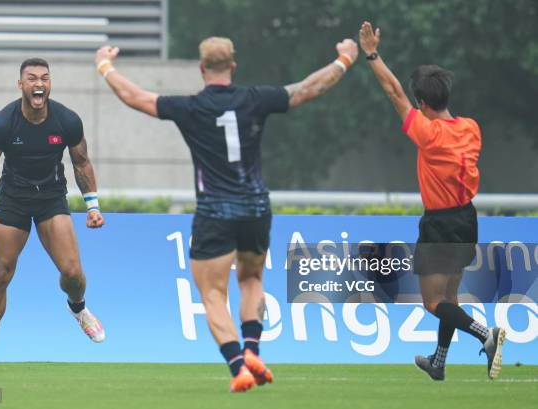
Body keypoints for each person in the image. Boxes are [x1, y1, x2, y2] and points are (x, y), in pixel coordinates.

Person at [94, 36, 358, 391]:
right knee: (251, 281)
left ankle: (238, 367)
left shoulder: (188, 107)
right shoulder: (257, 99)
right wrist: (344, 59)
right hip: (256, 206)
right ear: (233, 67)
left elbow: (136, 97)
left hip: (214, 210)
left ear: (201, 69)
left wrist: (105, 65)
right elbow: (308, 89)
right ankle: (252, 349)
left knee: (214, 294)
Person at [359, 21, 505, 380]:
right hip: (467, 218)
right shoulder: (471, 128)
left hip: (439, 221)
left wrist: (372, 54)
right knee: (450, 297)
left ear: (422, 102)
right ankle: (438, 362)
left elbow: (393, 91)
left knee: (432, 302)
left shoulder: (427, 133)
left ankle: (486, 335)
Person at [0, 58, 106, 363]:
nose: (39, 84)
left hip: (51, 198)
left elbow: (81, 163)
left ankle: (78, 307)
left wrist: (93, 206)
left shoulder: (67, 120)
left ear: (50, 84)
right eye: (32, 79)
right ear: (21, 85)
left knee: (73, 273)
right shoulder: (2, 123)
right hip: (13, 199)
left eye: (44, 78)